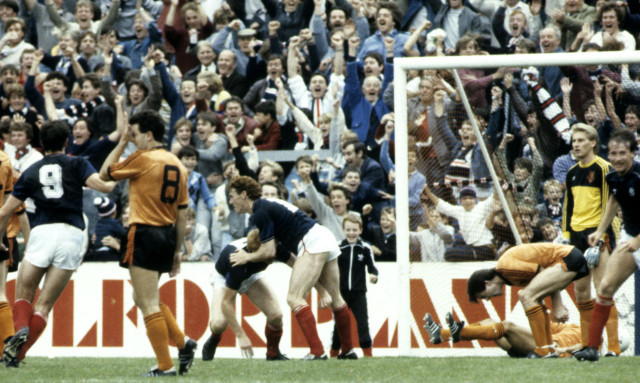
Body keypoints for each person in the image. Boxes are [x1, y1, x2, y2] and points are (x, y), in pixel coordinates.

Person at [0, 120, 115, 367]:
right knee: (44, 305)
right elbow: (103, 186)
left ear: (41, 143)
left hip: (42, 231)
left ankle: (19, 330)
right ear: (66, 141)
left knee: (23, 294)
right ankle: (18, 354)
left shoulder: (31, 170)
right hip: (72, 234)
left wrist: (0, 241)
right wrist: (116, 171)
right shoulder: (78, 163)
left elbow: (4, 212)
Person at [98, 109, 196, 376]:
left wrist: (119, 144)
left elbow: (105, 173)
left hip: (144, 232)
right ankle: (182, 342)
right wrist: (177, 251)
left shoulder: (143, 158)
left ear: (149, 134)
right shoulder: (177, 163)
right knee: (141, 296)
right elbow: (181, 214)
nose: (132, 140)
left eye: (135, 134)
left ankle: (165, 366)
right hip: (166, 235)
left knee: (148, 301)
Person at [227, 175, 357, 359]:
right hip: (324, 237)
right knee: (336, 298)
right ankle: (348, 351)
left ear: (244, 194)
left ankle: (317, 352)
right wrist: (321, 290)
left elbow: (269, 251)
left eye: (232, 195)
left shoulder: (259, 211)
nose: (231, 201)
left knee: (294, 298)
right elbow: (287, 257)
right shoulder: (267, 206)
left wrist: (247, 257)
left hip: (311, 240)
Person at [574, 129, 640, 361]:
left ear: (633, 153)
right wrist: (600, 231)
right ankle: (592, 348)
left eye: (622, 153)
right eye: (613, 153)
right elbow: (614, 199)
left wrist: (638, 240)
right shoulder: (612, 177)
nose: (617, 158)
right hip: (629, 235)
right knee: (605, 288)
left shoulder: (639, 175)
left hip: (637, 238)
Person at [467, 243, 590, 358]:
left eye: (484, 296)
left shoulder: (505, 268)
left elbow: (543, 272)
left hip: (567, 258)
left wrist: (557, 305)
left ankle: (544, 350)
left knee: (526, 295)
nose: (488, 299)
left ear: (487, 283)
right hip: (570, 256)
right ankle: (547, 349)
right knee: (531, 297)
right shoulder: (507, 276)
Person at [561, 123, 620, 355]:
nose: (575, 145)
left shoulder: (605, 168)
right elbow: (568, 206)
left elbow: (610, 204)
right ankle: (589, 345)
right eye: (573, 141)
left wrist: (603, 236)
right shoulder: (572, 172)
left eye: (580, 140)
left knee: (603, 289)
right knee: (581, 293)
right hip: (576, 236)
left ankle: (614, 348)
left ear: (593, 142)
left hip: (596, 234)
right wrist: (565, 236)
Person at [201, 229, 289, 361]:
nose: (271, 257)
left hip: (249, 275)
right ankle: (214, 337)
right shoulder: (237, 262)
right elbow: (226, 303)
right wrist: (241, 336)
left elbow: (296, 263)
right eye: (265, 256)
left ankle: (273, 354)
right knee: (219, 323)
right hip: (224, 276)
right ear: (254, 254)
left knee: (276, 315)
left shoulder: (272, 248)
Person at [424, 312, 583, 358]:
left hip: (547, 349)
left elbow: (581, 348)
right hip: (534, 345)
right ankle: (443, 334)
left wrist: (559, 350)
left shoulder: (590, 338)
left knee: (506, 326)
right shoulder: (571, 326)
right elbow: (546, 327)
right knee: (489, 322)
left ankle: (452, 333)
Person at [331, 214, 378, 358]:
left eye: (354, 230)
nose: (351, 233)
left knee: (362, 323)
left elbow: (373, 268)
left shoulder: (365, 248)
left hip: (359, 294)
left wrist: (373, 276)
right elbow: (330, 268)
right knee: (339, 325)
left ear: (360, 230)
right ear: (343, 230)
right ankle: (333, 353)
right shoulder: (338, 247)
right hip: (341, 293)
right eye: (348, 230)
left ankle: (368, 353)